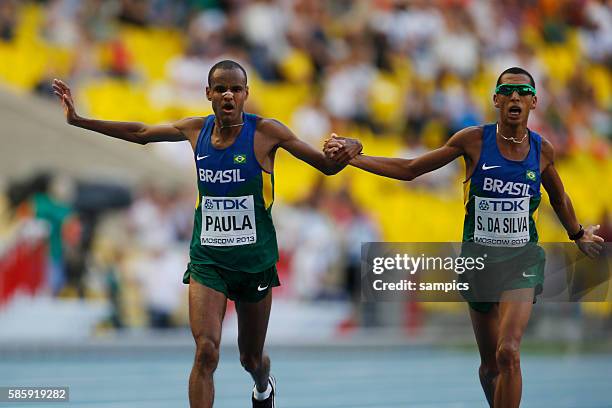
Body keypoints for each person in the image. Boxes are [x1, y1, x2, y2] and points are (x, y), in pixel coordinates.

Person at [52, 59, 362, 408]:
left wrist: (353, 146)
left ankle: (263, 386)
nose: (228, 94)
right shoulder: (195, 130)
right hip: (207, 260)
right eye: (220, 89)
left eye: (236, 89)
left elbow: (327, 166)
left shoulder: (267, 133)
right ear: (209, 94)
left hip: (254, 263)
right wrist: (79, 120)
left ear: (246, 95)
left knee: (251, 359)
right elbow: (140, 133)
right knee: (206, 351)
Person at [324, 66, 604, 408]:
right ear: (496, 100)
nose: (515, 97)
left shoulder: (541, 150)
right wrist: (355, 159)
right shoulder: (473, 140)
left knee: (508, 352)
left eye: (523, 92)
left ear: (534, 101)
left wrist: (577, 233)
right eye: (508, 91)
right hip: (479, 262)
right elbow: (412, 169)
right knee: (489, 369)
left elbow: (558, 197)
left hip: (522, 261)